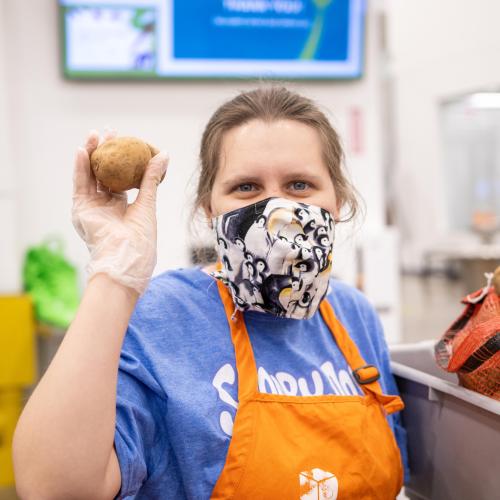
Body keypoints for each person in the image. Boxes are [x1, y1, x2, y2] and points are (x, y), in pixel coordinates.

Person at [13, 87, 408, 499]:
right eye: (246, 188)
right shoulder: (162, 315)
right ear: (209, 210)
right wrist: (115, 272)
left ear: (338, 201)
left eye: (299, 184)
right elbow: (53, 489)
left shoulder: (353, 314)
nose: (276, 208)